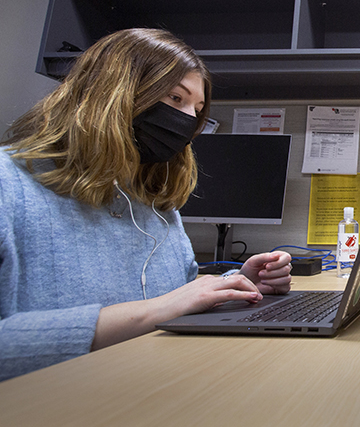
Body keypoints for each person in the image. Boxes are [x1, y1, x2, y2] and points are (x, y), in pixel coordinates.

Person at [0, 28, 293, 381]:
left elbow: (179, 295)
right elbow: (164, 306)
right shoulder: (10, 183)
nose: (188, 121)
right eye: (175, 99)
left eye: (196, 109)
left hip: (155, 387)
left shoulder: (150, 200)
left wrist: (237, 284)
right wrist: (154, 311)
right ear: (113, 92)